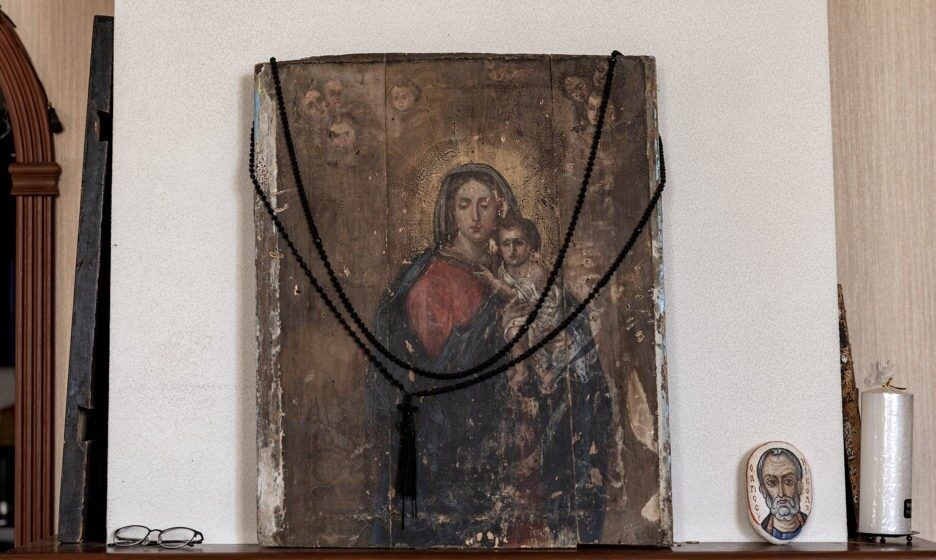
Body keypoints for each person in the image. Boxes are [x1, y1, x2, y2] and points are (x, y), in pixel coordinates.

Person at [367, 163, 610, 547]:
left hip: (522, 431)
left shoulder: (517, 268)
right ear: (451, 211)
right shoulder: (431, 278)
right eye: (465, 205)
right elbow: (440, 367)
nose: (475, 216)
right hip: (461, 433)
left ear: (502, 209)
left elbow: (561, 322)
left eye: (485, 205)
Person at [758, 448, 809, 541]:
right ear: (763, 491)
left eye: (788, 481)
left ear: (799, 486)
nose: (781, 493)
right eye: (771, 482)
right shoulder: (762, 528)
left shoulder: (809, 525)